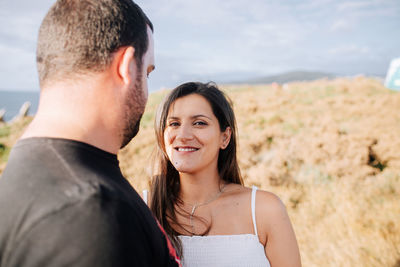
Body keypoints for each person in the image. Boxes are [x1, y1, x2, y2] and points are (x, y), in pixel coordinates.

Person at [0, 0, 181, 266]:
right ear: (126, 67)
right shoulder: (91, 212)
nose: (147, 89)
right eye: (148, 72)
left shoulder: (27, 174)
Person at [145, 82, 301, 266]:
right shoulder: (144, 207)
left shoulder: (263, 210)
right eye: (174, 124)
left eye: (199, 123)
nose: (183, 134)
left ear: (225, 137)